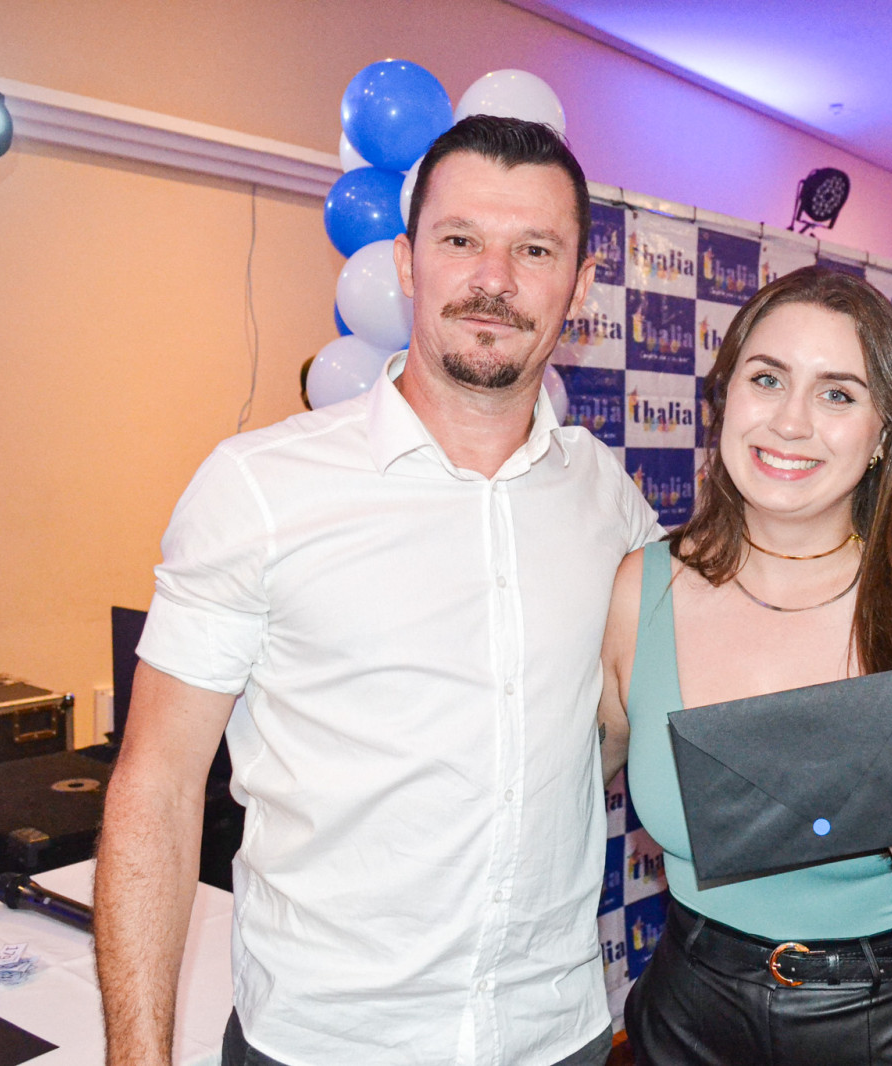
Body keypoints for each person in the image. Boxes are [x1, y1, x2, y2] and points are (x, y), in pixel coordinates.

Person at [93, 117, 663, 1066]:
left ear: (581, 284)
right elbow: (156, 784)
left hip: (553, 1035)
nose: (494, 279)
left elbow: (611, 730)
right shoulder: (258, 487)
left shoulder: (608, 500)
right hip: (323, 1044)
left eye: (535, 249)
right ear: (406, 262)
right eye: (460, 239)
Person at [597, 267, 892, 1065]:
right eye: (766, 379)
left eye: (837, 394)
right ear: (725, 398)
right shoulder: (641, 589)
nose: (791, 422)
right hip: (690, 1015)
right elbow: (578, 777)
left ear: (884, 431)